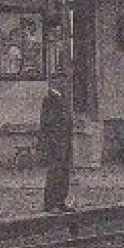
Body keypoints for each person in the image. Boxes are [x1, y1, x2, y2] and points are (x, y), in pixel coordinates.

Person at [39, 76, 75, 212]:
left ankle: (60, 201)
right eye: (62, 82)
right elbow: (47, 124)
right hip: (55, 143)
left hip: (64, 142)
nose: (65, 84)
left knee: (64, 172)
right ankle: (50, 204)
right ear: (55, 83)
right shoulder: (50, 100)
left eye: (65, 82)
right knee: (54, 172)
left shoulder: (62, 99)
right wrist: (53, 142)